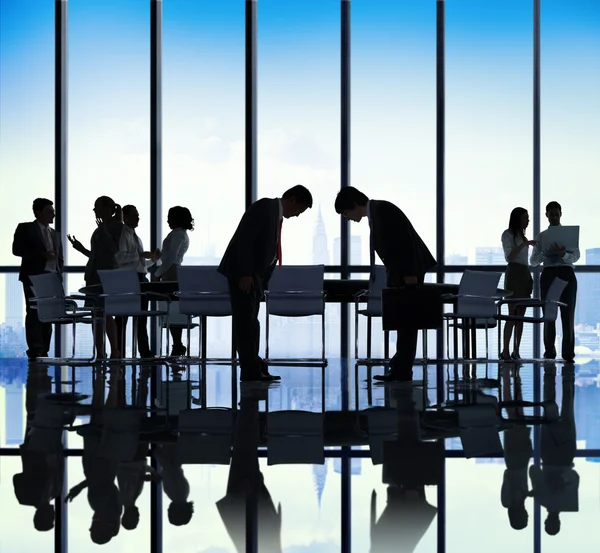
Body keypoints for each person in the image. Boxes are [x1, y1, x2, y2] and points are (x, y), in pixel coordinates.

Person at [335, 186, 436, 382]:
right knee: (403, 322)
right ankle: (399, 368)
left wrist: (409, 274)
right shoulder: (378, 212)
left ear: (353, 205)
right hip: (403, 273)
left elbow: (405, 242)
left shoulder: (382, 211)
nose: (347, 219)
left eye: (346, 213)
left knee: (406, 323)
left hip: (408, 273)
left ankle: (402, 370)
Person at [218, 185, 313, 382]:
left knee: (251, 322)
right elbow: (245, 239)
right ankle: (250, 370)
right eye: (299, 210)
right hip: (244, 275)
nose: (297, 215)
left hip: (255, 277)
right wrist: (245, 273)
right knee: (245, 323)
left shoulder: (273, 213)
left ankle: (254, 364)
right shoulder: (265, 207)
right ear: (292, 199)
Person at [68, 196, 123, 359]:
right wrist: (81, 249)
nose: (94, 211)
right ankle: (100, 351)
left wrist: (105, 231)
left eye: (96, 207)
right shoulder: (99, 229)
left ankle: (114, 350)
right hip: (93, 276)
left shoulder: (117, 227)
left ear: (107, 209)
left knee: (106, 313)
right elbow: (96, 255)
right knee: (96, 314)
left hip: (107, 276)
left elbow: (115, 250)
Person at [12, 198, 64, 360]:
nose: (53, 214)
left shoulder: (55, 234)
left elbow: (59, 258)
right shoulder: (26, 228)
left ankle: (44, 349)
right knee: (34, 312)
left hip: (51, 277)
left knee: (48, 314)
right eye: (50, 211)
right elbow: (17, 249)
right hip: (33, 276)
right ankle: (35, 349)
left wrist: (58, 274)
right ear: (38, 212)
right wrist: (41, 255)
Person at [530, 201, 579, 362]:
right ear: (546, 215)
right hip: (549, 274)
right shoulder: (542, 237)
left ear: (561, 214)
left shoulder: (569, 235)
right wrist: (546, 253)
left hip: (566, 273)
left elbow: (576, 257)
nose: (554, 217)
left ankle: (568, 353)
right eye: (551, 215)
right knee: (549, 314)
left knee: (568, 314)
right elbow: (533, 261)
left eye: (556, 214)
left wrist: (563, 254)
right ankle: (549, 351)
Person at [115, 205, 160, 358]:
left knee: (141, 317)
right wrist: (140, 254)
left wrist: (152, 260)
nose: (138, 217)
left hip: (140, 278)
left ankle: (143, 351)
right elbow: (121, 258)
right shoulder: (123, 235)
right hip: (128, 279)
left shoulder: (136, 237)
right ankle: (119, 350)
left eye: (138, 215)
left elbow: (140, 264)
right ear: (125, 217)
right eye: (135, 215)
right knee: (123, 317)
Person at [154, 206, 193, 357]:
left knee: (171, 309)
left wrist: (157, 274)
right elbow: (170, 256)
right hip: (173, 271)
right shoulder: (181, 234)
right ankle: (177, 344)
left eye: (170, 217)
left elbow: (171, 258)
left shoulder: (177, 235)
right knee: (173, 309)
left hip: (171, 273)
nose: (167, 220)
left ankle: (177, 344)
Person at [500, 207, 537, 361]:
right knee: (512, 315)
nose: (528, 220)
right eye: (525, 218)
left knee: (520, 316)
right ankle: (506, 350)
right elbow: (510, 256)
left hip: (523, 272)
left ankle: (517, 350)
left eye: (528, 218)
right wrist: (524, 244)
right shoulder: (508, 234)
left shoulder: (522, 235)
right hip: (514, 273)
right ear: (517, 219)